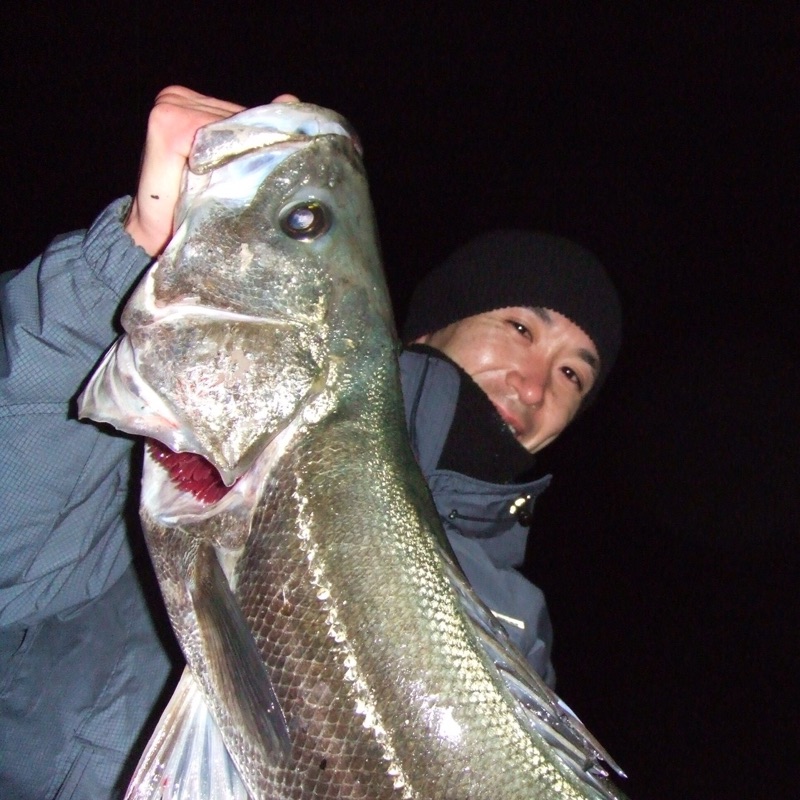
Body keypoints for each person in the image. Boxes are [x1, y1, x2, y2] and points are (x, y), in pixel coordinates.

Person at [0, 87, 621, 799]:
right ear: (423, 328)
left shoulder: (519, 617)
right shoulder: (144, 431)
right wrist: (125, 260)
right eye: (520, 328)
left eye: (574, 372)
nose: (537, 383)